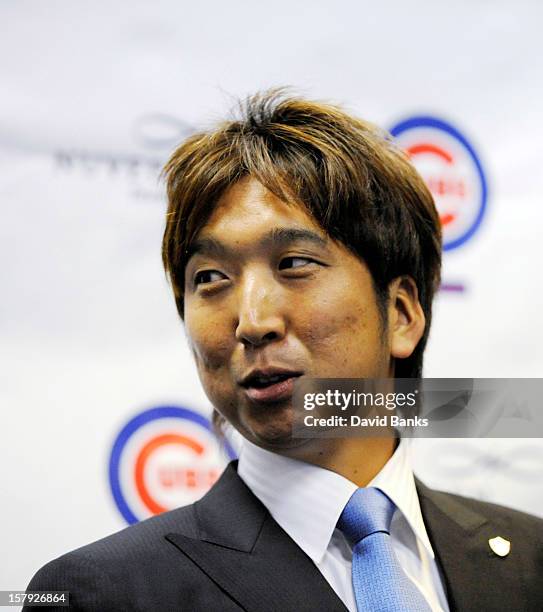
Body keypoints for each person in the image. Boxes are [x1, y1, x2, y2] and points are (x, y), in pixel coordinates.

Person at [25, 90, 543, 611]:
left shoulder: (529, 560)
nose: (252, 321)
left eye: (294, 264)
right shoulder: (104, 595)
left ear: (403, 314)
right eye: (211, 278)